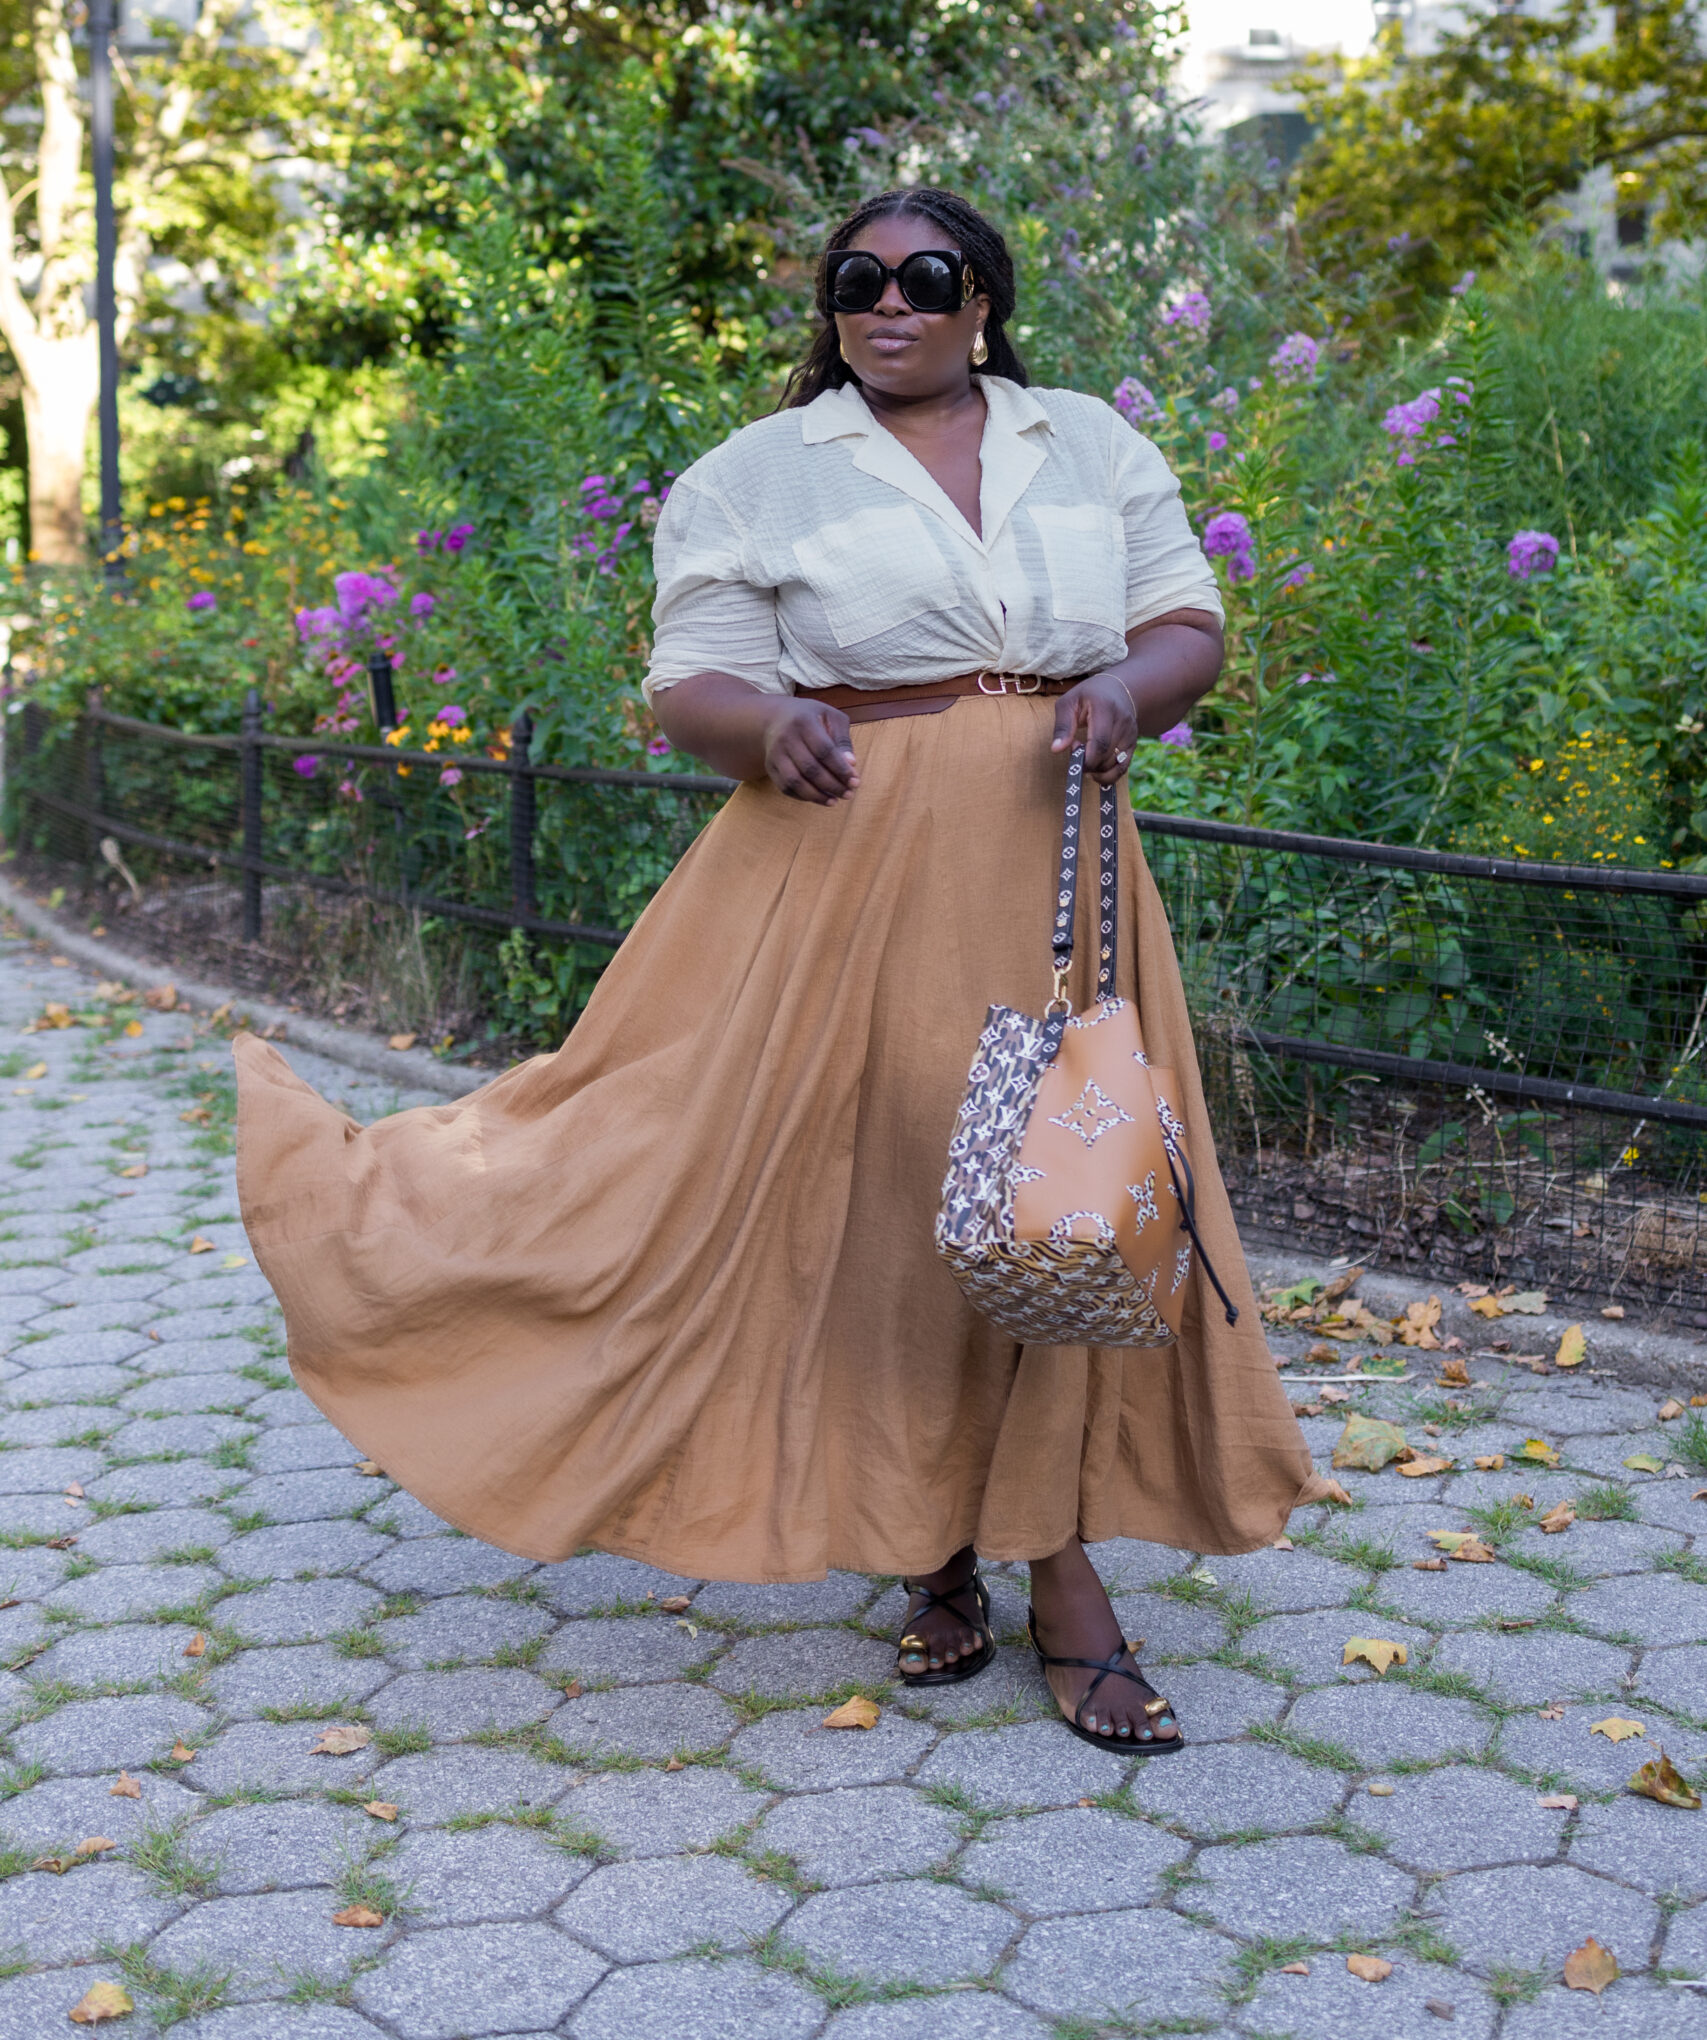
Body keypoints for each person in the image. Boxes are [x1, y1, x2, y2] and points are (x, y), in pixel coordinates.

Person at [234, 184, 1317, 1754]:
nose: (888, 302)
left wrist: (1125, 692)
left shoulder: (1087, 442)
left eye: (924, 276)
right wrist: (771, 724)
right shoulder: (760, 475)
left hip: (1063, 871)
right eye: (855, 280)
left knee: (1068, 1195)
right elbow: (694, 681)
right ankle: (954, 1550)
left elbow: (1188, 622)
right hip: (855, 872)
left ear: (981, 300)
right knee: (901, 1202)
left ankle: (1051, 1568)